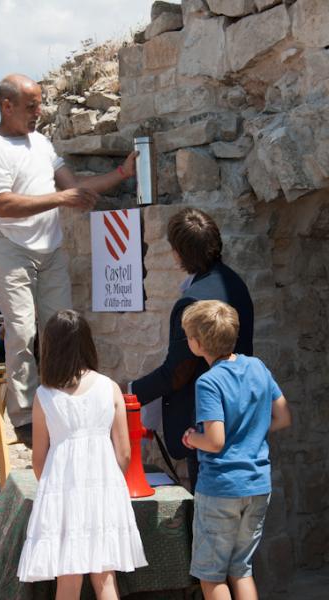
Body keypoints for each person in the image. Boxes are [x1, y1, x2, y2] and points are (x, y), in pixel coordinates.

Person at [0, 73, 137, 448]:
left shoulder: (41, 142)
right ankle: (26, 418)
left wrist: (121, 174)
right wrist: (62, 200)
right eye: (31, 105)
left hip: (49, 247)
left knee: (61, 328)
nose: (39, 111)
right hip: (9, 246)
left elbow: (72, 185)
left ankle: (62, 399)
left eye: (40, 103)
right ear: (6, 105)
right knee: (22, 331)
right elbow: (3, 204)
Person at [17, 310, 147, 599]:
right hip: (104, 489)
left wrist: (52, 486)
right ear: (87, 343)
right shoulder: (109, 388)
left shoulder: (44, 395)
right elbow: (124, 451)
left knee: (68, 577)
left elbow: (39, 458)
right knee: (105, 577)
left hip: (63, 492)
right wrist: (109, 481)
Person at [131, 208, 254, 490]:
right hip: (241, 411)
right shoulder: (237, 285)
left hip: (205, 420)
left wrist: (130, 393)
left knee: (211, 511)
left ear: (178, 253)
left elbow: (178, 371)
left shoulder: (193, 301)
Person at [181, 300, 291, 600]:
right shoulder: (257, 367)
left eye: (188, 336)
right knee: (241, 569)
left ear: (198, 343)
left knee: (211, 575)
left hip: (221, 487)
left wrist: (192, 438)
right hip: (257, 485)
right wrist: (251, 430)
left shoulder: (209, 382)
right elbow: (282, 416)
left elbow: (214, 440)